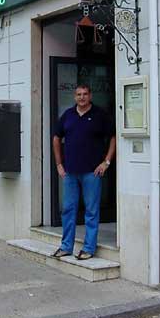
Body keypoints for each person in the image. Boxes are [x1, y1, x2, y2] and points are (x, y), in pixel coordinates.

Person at [52, 84, 116, 260]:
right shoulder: (68, 115)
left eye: (85, 94)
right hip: (70, 172)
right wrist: (59, 164)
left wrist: (106, 162)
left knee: (91, 211)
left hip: (92, 173)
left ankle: (89, 248)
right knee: (68, 210)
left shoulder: (100, 115)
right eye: (79, 94)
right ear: (75, 97)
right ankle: (66, 246)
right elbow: (56, 138)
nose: (82, 97)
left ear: (90, 96)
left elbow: (113, 137)